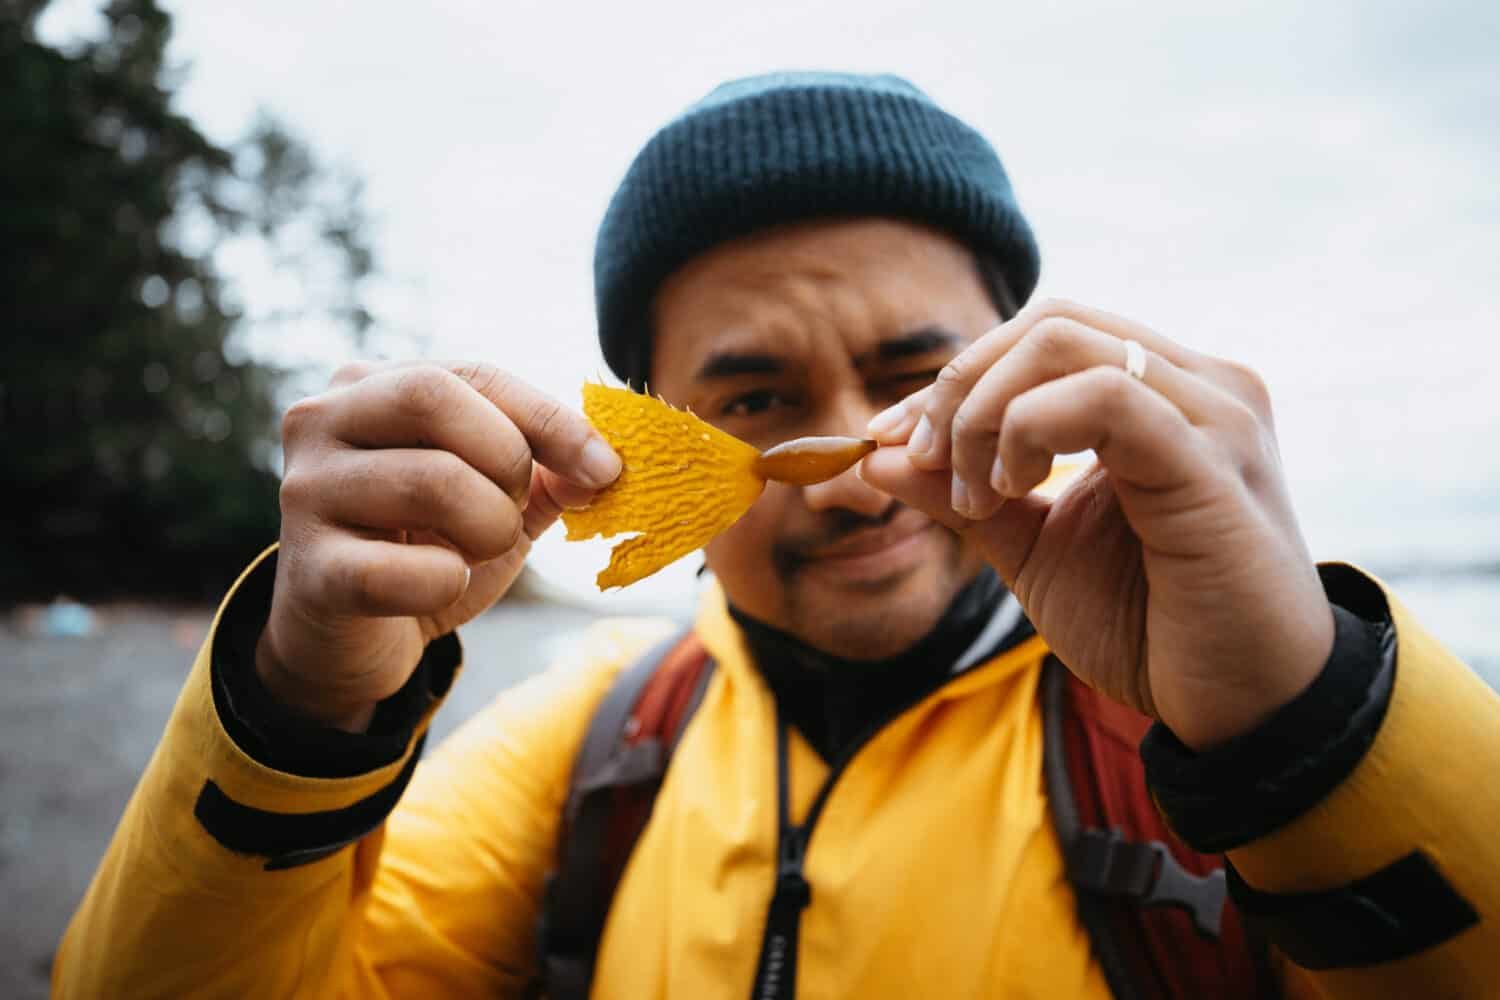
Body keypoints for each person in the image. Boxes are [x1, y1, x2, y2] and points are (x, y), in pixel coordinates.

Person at [55, 72, 1498, 998]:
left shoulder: (1209, 756)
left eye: (915, 380)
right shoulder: (590, 755)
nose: (857, 473)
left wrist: (1308, 729)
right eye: (750, 400)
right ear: (630, 438)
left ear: (1029, 361)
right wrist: (300, 710)